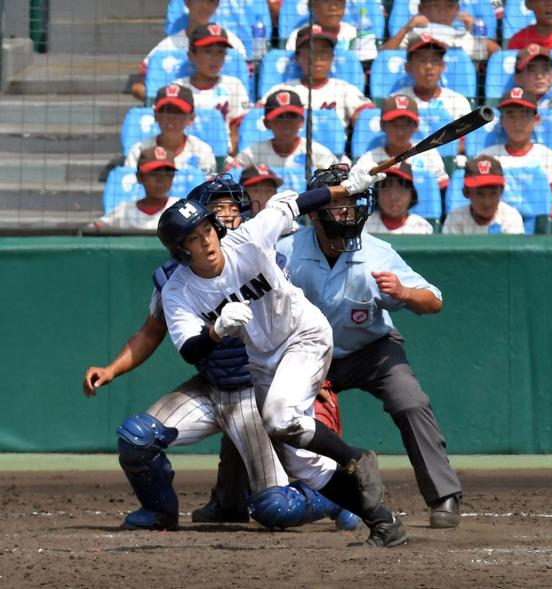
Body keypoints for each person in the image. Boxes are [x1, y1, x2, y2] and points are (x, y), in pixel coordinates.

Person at [83, 175, 360, 532]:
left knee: (275, 507)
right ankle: (159, 512)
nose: (228, 217)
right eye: (217, 210)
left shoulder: (260, 252)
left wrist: (312, 376)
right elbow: (153, 332)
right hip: (212, 384)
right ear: (184, 243)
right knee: (137, 437)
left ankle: (341, 496)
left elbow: (298, 326)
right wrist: (111, 369)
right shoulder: (174, 283)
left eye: (232, 209)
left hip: (254, 388)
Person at [157, 161, 409, 547]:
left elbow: (297, 204)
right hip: (263, 360)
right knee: (301, 462)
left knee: (277, 416)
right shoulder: (179, 291)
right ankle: (383, 521)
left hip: (303, 335)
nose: (206, 241)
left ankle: (355, 456)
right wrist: (216, 329)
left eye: (207, 229)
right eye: (194, 237)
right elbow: (191, 349)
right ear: (180, 250)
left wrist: (347, 188)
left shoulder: (248, 239)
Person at [274, 163, 463, 529]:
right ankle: (232, 497)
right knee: (258, 405)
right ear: (314, 213)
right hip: (309, 355)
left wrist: (405, 293)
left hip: (371, 349)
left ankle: (444, 496)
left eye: (353, 203)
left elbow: (434, 300)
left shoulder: (377, 252)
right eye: (339, 204)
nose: (347, 212)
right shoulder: (286, 252)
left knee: (411, 401)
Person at [259, 24, 375, 129]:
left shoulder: (344, 89)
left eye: (323, 52)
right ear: (297, 57)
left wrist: (360, 119)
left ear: (332, 57)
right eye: (310, 51)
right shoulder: (282, 91)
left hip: (332, 152)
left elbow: (369, 117)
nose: (317, 57)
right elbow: (256, 117)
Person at [132, 0, 247, 101]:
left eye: (211, 1)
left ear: (217, 5)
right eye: (200, 0)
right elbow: (139, 87)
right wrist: (167, 101)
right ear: (187, 2)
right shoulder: (166, 47)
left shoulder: (234, 44)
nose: (205, 6)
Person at [481, 87, 552, 216]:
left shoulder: (549, 157)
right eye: (511, 115)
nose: (517, 123)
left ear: (536, 120)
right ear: (502, 120)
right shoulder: (487, 157)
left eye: (524, 115)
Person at [173, 24, 251, 155]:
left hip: (223, 156)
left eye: (220, 52)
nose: (215, 59)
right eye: (208, 51)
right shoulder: (178, 89)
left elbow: (237, 130)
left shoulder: (234, 86)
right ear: (192, 55)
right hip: (185, 155)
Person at [228, 89, 341, 171]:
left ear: (302, 121)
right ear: (267, 124)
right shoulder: (252, 153)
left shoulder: (318, 152)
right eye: (279, 117)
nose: (286, 123)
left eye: (292, 117)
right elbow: (230, 178)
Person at [356, 94, 448, 191]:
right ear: (382, 125)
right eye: (394, 125)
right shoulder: (369, 159)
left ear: (416, 126)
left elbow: (440, 192)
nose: (400, 132)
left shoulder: (428, 153)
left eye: (406, 125)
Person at [124, 84, 217, 178]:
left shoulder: (202, 151)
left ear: (191, 118)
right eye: (165, 110)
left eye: (178, 111)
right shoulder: (139, 150)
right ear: (155, 116)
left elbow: (208, 190)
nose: (170, 117)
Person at [90, 147, 179, 232]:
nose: (161, 179)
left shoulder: (181, 208)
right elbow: (92, 228)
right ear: (139, 177)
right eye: (154, 173)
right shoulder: (125, 210)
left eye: (167, 173)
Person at [382, 0, 500, 61]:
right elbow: (383, 55)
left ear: (457, 10)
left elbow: (497, 54)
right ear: (421, 9)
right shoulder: (414, 33)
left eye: (449, 6)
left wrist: (475, 28)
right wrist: (407, 27)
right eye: (435, 5)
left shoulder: (463, 35)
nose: (442, 11)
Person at [392, 33, 472, 121]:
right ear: (408, 67)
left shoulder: (458, 102)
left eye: (434, 60)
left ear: (443, 66)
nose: (429, 66)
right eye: (422, 60)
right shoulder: (396, 102)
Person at [442, 155, 525, 234]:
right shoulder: (455, 218)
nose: (487, 202)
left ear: (502, 191)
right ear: (466, 192)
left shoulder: (510, 217)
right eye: (480, 194)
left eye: (493, 193)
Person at [284, 0, 377, 65]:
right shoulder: (298, 36)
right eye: (326, 1)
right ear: (312, 6)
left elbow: (363, 74)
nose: (333, 7)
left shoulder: (361, 37)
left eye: (339, 1)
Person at [365, 161, 435, 235]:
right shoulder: (365, 226)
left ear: (412, 194)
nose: (393, 197)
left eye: (401, 190)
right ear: (376, 193)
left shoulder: (422, 227)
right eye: (386, 190)